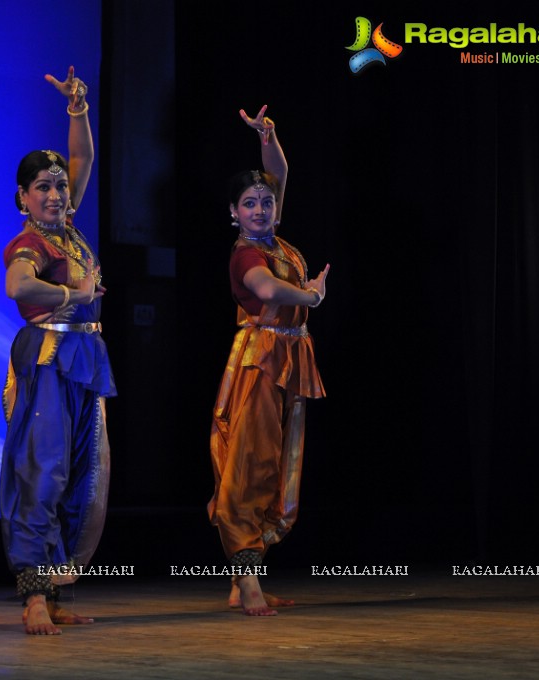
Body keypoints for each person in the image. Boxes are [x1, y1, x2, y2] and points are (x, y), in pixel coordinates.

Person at [0, 67, 115, 635]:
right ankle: (34, 595)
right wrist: (75, 293)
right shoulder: (28, 243)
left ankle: (57, 584)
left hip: (83, 359)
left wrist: (77, 110)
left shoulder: (67, 233)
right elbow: (19, 288)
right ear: (22, 197)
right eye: (42, 187)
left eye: (59, 186)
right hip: (47, 356)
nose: (55, 193)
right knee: (42, 472)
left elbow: (84, 162)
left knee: (82, 476)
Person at [207, 106, 329, 616]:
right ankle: (246, 575)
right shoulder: (246, 254)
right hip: (260, 361)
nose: (260, 209)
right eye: (249, 204)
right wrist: (310, 298)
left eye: (265, 203)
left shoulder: (274, 239)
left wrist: (268, 137)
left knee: (279, 465)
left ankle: (246, 578)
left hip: (288, 357)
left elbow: (278, 174)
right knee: (250, 463)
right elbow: (266, 288)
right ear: (234, 213)